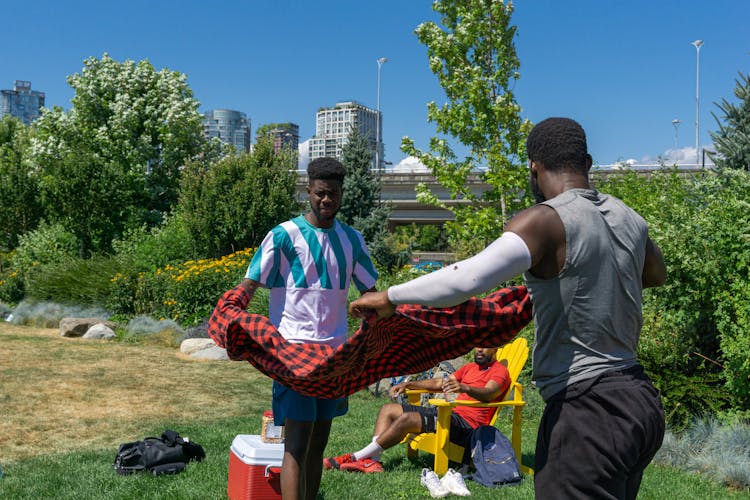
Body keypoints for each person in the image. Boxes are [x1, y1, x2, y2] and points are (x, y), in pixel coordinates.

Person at [349, 117, 667, 500]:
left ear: (533, 168)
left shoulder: (546, 220)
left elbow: (465, 279)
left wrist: (389, 297)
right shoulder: (630, 218)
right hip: (640, 400)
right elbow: (654, 274)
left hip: (589, 409)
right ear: (588, 162)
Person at [241, 157, 378, 500]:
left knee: (318, 443)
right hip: (294, 353)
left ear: (342, 194)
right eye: (320, 193)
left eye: (333, 194)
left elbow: (372, 293)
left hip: (335, 356)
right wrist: (232, 315)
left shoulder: (352, 240)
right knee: (296, 445)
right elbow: (249, 285)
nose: (326, 200)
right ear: (308, 191)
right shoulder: (283, 236)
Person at [324, 347, 510, 473]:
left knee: (408, 420)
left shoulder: (498, 371)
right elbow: (440, 382)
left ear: (496, 348)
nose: (480, 349)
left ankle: (356, 456)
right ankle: (373, 461)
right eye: (478, 345)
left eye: (486, 346)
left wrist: (465, 388)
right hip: (450, 415)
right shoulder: (470, 368)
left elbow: (489, 393)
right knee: (388, 409)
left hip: (467, 428)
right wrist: (409, 384)